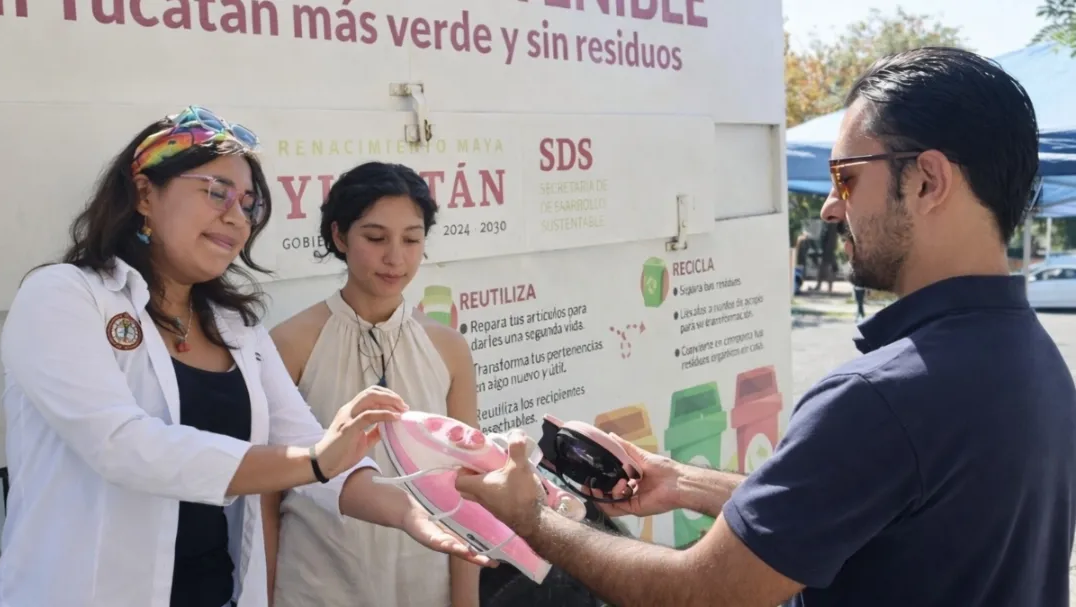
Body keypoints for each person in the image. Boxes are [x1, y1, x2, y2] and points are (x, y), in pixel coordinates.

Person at [451, 47, 1076, 607]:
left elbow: (700, 592)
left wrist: (531, 517)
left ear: (928, 180)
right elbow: (865, 506)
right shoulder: (1035, 359)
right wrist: (685, 483)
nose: (832, 207)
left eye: (846, 176)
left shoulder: (881, 398)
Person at [0, 107, 489, 607]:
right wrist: (316, 460)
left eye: (248, 204)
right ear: (145, 193)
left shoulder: (237, 329)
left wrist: (411, 513)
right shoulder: (63, 295)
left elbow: (309, 448)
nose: (236, 217)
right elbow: (121, 446)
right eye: (217, 193)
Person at [262, 161, 480, 607]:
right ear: (340, 236)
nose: (395, 257)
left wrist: (465, 599)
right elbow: (267, 492)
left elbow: (469, 485)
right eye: (376, 238)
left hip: (424, 581)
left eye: (412, 239)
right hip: (316, 584)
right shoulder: (289, 344)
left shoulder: (450, 349)